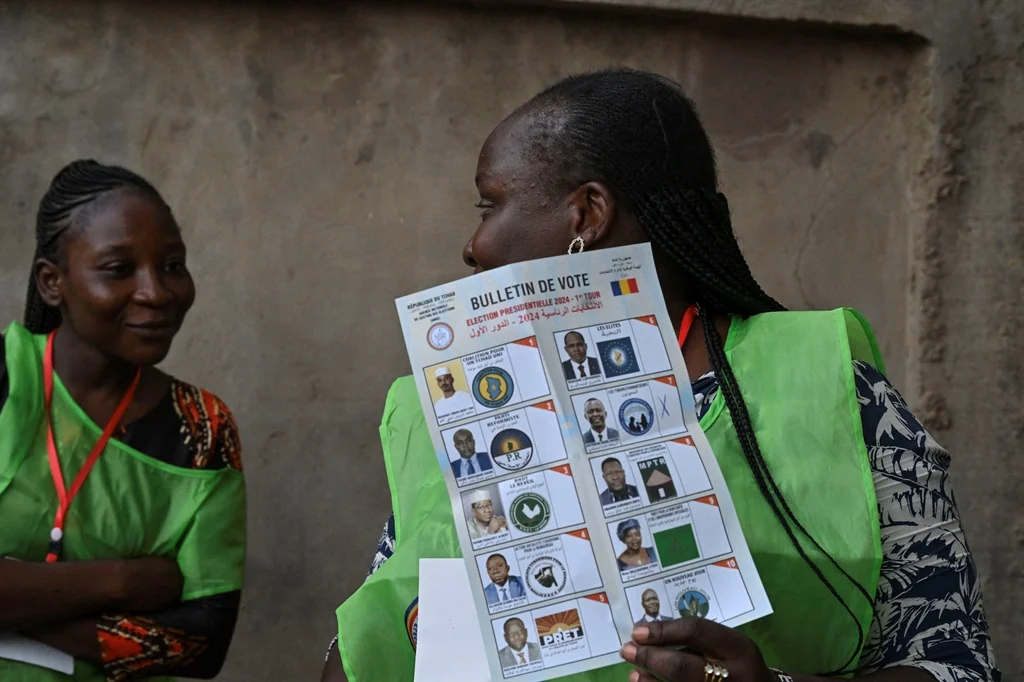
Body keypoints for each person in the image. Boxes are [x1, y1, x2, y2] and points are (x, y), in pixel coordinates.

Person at [325, 69, 998, 682]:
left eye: (488, 205)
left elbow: (954, 664)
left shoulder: (834, 391)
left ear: (586, 214)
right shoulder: (453, 409)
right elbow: (367, 648)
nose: (473, 246)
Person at [0, 160, 246, 681]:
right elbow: (164, 626)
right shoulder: (6, 380)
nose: (156, 292)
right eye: (118, 269)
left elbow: (202, 642)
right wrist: (122, 582)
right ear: (52, 282)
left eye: (173, 265)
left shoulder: (201, 429)